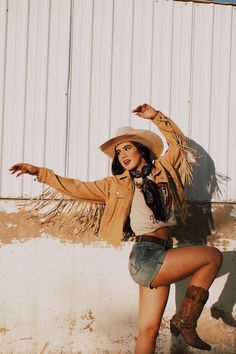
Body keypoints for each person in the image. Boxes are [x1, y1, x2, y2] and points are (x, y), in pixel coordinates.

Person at [10, 103, 222, 354]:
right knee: (212, 257)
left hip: (162, 252)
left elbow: (177, 143)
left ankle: (182, 322)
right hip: (146, 256)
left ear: (141, 150)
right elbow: (77, 187)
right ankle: (185, 321)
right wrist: (41, 173)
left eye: (127, 148)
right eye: (118, 152)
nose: (122, 155)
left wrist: (157, 117)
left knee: (148, 331)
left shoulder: (163, 169)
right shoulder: (116, 185)